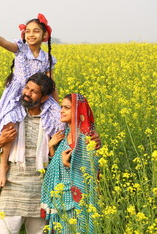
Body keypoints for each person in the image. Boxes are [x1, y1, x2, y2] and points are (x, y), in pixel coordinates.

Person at [0, 73, 101, 234]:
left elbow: (75, 136)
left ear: (44, 98)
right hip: (11, 188)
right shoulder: (9, 116)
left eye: (34, 91)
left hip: (42, 190)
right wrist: (0, 141)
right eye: (26, 88)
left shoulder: (54, 121)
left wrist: (93, 139)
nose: (27, 93)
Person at [0, 13, 57, 188]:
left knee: (56, 122)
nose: (31, 35)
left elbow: (52, 83)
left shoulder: (47, 58)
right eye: (28, 31)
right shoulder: (21, 48)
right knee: (9, 124)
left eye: (36, 31)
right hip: (17, 93)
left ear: (44, 36)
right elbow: (5, 43)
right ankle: (3, 165)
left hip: (38, 94)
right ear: (24, 34)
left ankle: (53, 163)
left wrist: (57, 105)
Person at [41, 93, 100, 234]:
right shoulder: (65, 135)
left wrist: (68, 165)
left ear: (78, 111)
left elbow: (91, 176)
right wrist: (51, 147)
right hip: (60, 202)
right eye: (61, 107)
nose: (61, 110)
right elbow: (58, 168)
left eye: (67, 108)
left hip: (76, 206)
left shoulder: (86, 139)